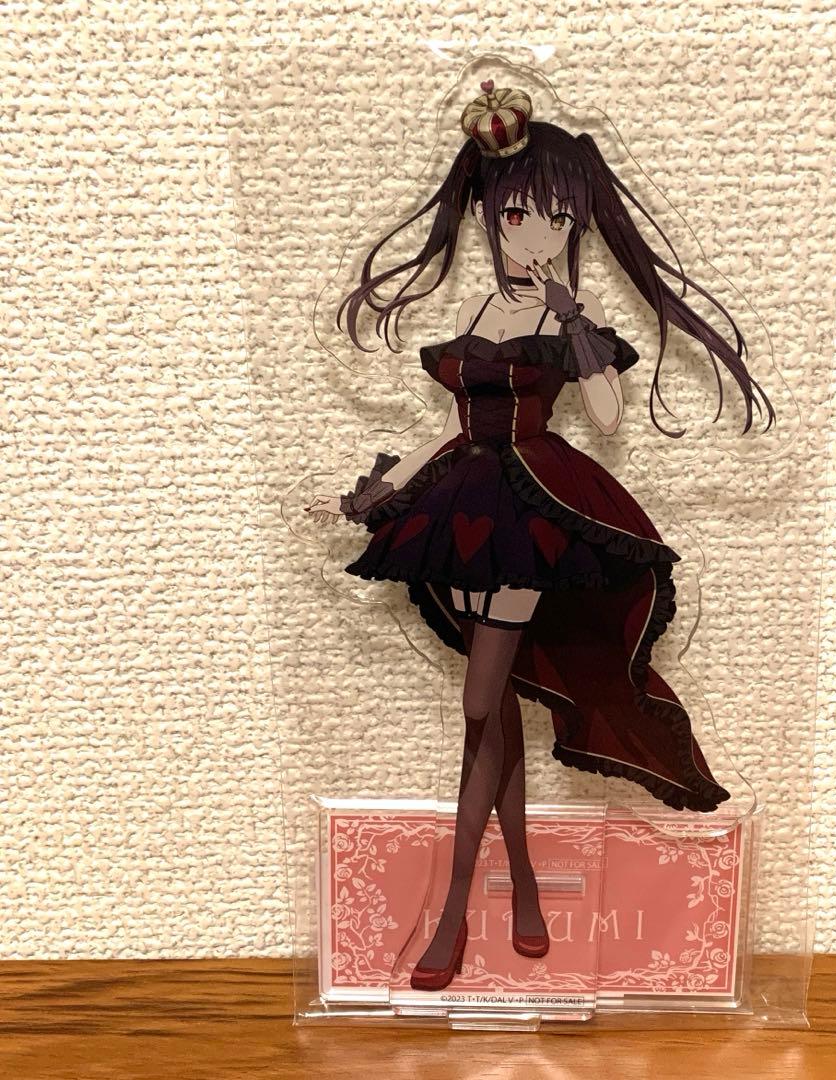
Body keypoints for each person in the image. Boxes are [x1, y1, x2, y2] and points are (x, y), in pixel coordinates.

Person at [306, 80, 775, 991]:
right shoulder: (482, 314)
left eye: (557, 219)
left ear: (577, 226)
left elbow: (605, 414)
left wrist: (571, 319)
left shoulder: (567, 320)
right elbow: (453, 424)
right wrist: (379, 491)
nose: (534, 235)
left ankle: (452, 910)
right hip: (464, 506)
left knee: (480, 706)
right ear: (491, 217)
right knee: (498, 717)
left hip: (533, 514)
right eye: (517, 215)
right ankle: (521, 884)